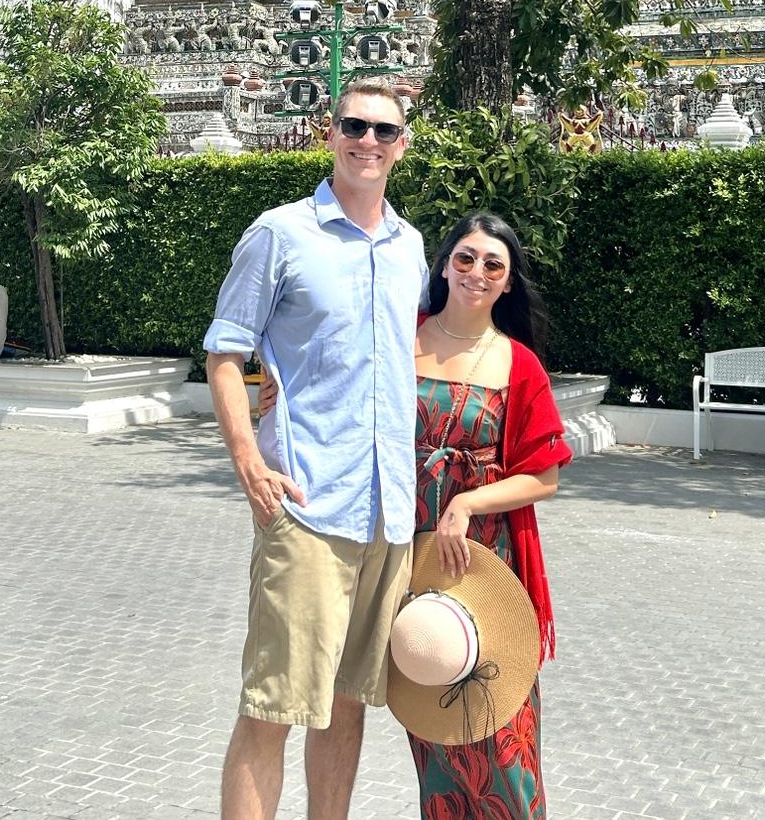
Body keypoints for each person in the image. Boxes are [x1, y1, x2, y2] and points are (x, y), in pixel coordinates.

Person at [260, 209, 572, 819]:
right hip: (414, 559)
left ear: (508, 282)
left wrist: (468, 501)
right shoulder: (402, 338)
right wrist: (272, 387)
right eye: (465, 258)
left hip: (484, 562)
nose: (476, 273)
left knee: (503, 734)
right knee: (438, 736)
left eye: (492, 265)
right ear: (445, 265)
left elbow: (545, 475)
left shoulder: (518, 364)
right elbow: (328, 377)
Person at [205, 82, 428, 820]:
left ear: (402, 144)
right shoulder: (280, 232)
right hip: (306, 502)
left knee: (348, 705)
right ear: (328, 133)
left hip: (388, 509)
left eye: (384, 131)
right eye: (354, 126)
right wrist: (247, 458)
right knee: (272, 707)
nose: (369, 141)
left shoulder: (411, 247)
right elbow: (225, 352)